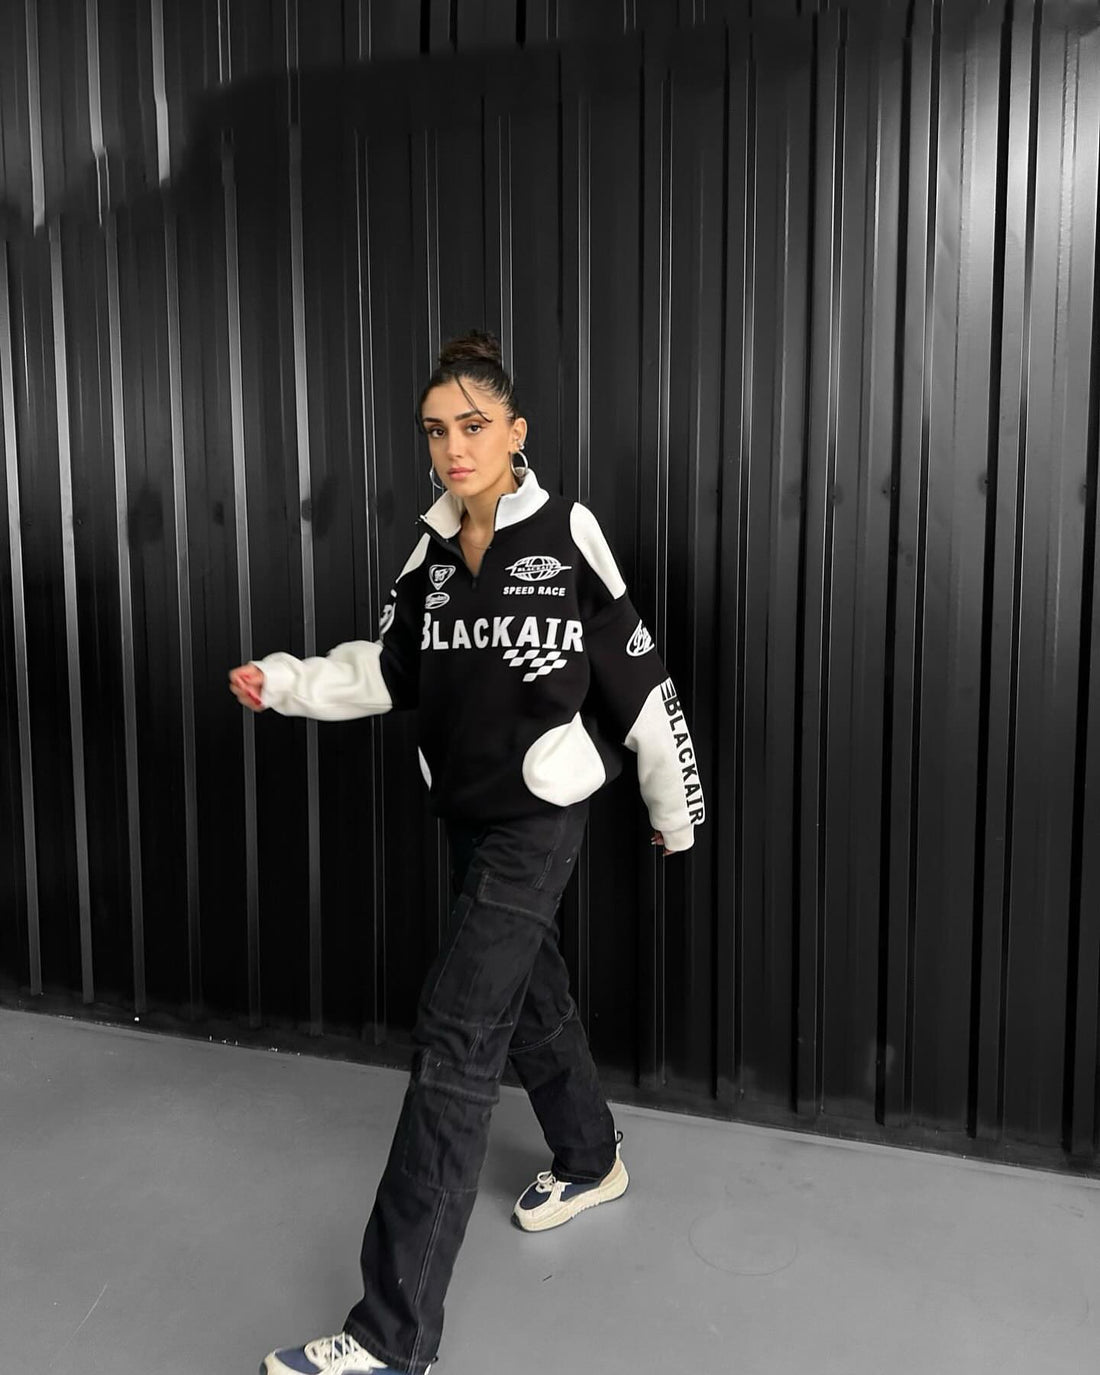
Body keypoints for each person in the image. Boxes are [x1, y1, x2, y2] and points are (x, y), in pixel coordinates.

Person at [228, 331, 705, 1375]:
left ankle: (389, 1338)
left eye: (474, 426)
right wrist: (289, 681)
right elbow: (386, 667)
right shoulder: (431, 553)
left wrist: (676, 806)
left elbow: (637, 677)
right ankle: (591, 1156)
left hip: (541, 816)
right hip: (468, 814)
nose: (454, 446)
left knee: (455, 1040)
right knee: (527, 993)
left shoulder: (567, 532)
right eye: (436, 430)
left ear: (514, 431)